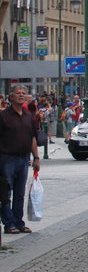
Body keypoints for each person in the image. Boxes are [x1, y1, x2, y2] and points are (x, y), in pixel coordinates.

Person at [0, 84, 41, 235]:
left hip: (24, 159)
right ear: (11, 97)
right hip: (7, 159)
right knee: (5, 193)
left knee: (20, 193)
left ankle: (19, 222)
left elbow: (32, 138)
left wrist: (36, 157)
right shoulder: (3, 116)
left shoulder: (28, 116)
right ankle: (9, 224)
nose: (21, 95)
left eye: (24, 93)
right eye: (18, 93)